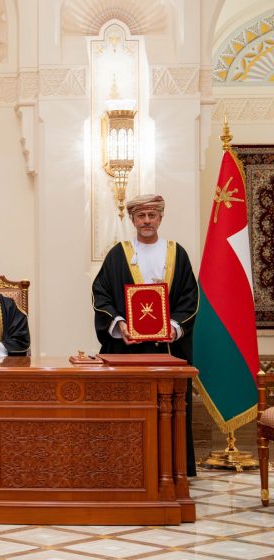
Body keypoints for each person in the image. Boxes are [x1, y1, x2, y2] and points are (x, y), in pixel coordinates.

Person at [92, 194, 199, 476]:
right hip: (128, 350)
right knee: (130, 407)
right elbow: (101, 294)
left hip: (168, 351)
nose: (147, 221)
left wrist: (173, 329)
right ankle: (127, 464)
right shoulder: (118, 253)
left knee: (170, 408)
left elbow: (190, 297)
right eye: (141, 216)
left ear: (161, 218)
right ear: (133, 220)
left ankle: (173, 467)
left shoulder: (177, 252)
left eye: (152, 215)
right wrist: (119, 325)